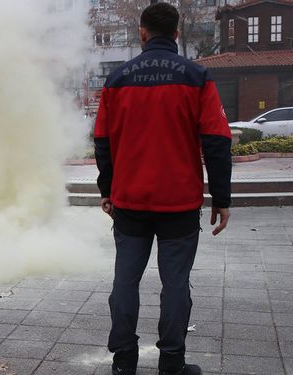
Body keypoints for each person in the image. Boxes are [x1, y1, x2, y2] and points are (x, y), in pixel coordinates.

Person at [94, 3, 231, 375]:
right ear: (175, 32)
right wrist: (221, 198)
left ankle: (123, 362)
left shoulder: (117, 79)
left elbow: (103, 140)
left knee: (125, 281)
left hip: (130, 201)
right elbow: (217, 140)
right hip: (179, 202)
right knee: (175, 286)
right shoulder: (197, 76)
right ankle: (171, 362)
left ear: (142, 32)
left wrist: (106, 188)